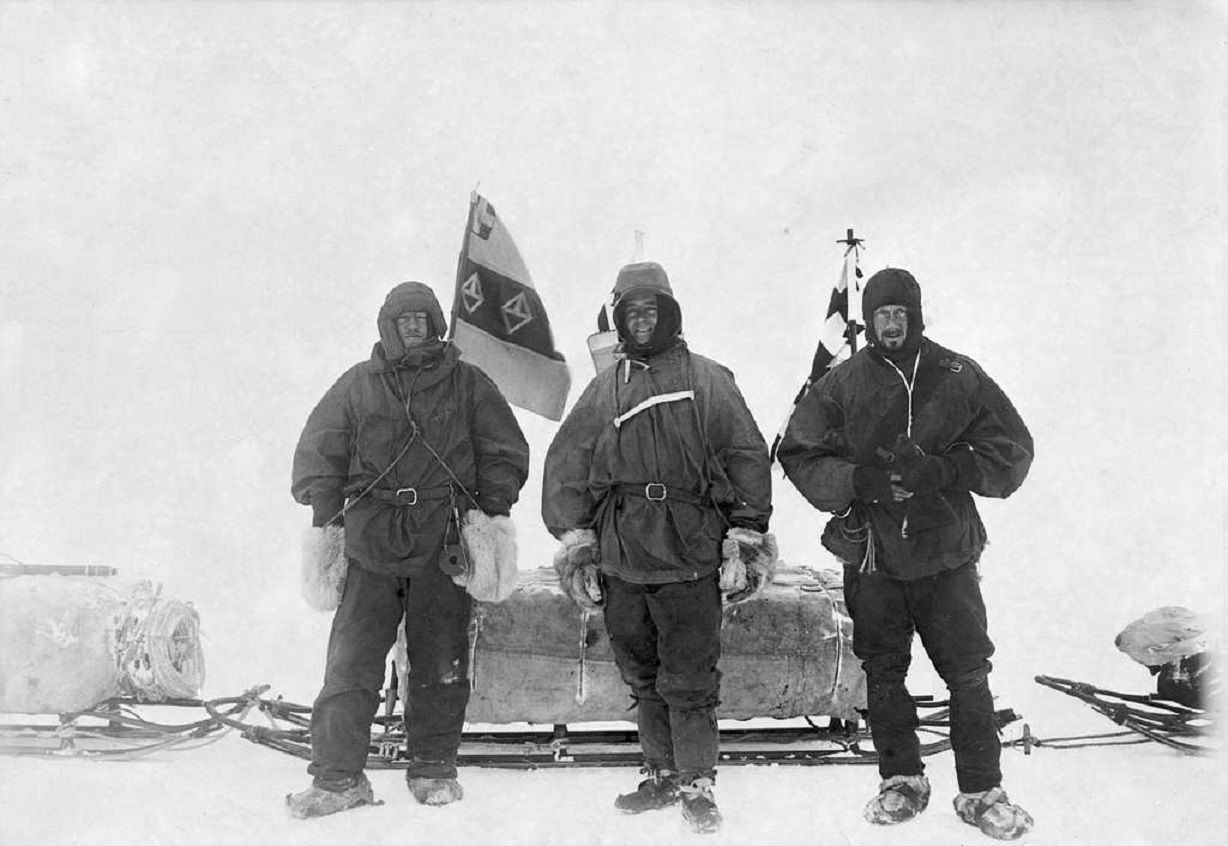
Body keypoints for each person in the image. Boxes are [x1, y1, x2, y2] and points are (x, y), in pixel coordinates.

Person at [777, 268, 1035, 841]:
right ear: (868, 322)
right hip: (873, 553)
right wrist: (858, 480)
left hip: (946, 553)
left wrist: (948, 468)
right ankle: (901, 780)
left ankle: (981, 791)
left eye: (901, 314)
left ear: (916, 316)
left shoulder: (957, 374)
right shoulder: (843, 383)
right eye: (881, 316)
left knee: (968, 673)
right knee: (883, 671)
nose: (892, 325)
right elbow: (798, 451)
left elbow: (1012, 450)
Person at [542, 261, 775, 835]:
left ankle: (697, 780)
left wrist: (744, 536)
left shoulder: (708, 378)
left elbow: (746, 455)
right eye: (632, 312)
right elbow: (567, 462)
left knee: (691, 677)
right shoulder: (607, 387)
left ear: (668, 313)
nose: (642, 321)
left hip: (690, 549)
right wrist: (577, 544)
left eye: (651, 310)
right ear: (619, 318)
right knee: (642, 674)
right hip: (623, 553)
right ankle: (661, 773)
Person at [287, 281, 529, 818]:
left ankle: (433, 768)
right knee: (350, 664)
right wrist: (325, 513)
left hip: (441, 542)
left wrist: (491, 507)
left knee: (439, 662)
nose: (413, 327)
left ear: (436, 323)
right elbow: (318, 452)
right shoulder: (358, 385)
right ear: (387, 327)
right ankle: (337, 778)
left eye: (422, 318)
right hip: (370, 542)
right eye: (404, 320)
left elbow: (504, 450)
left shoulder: (467, 383)